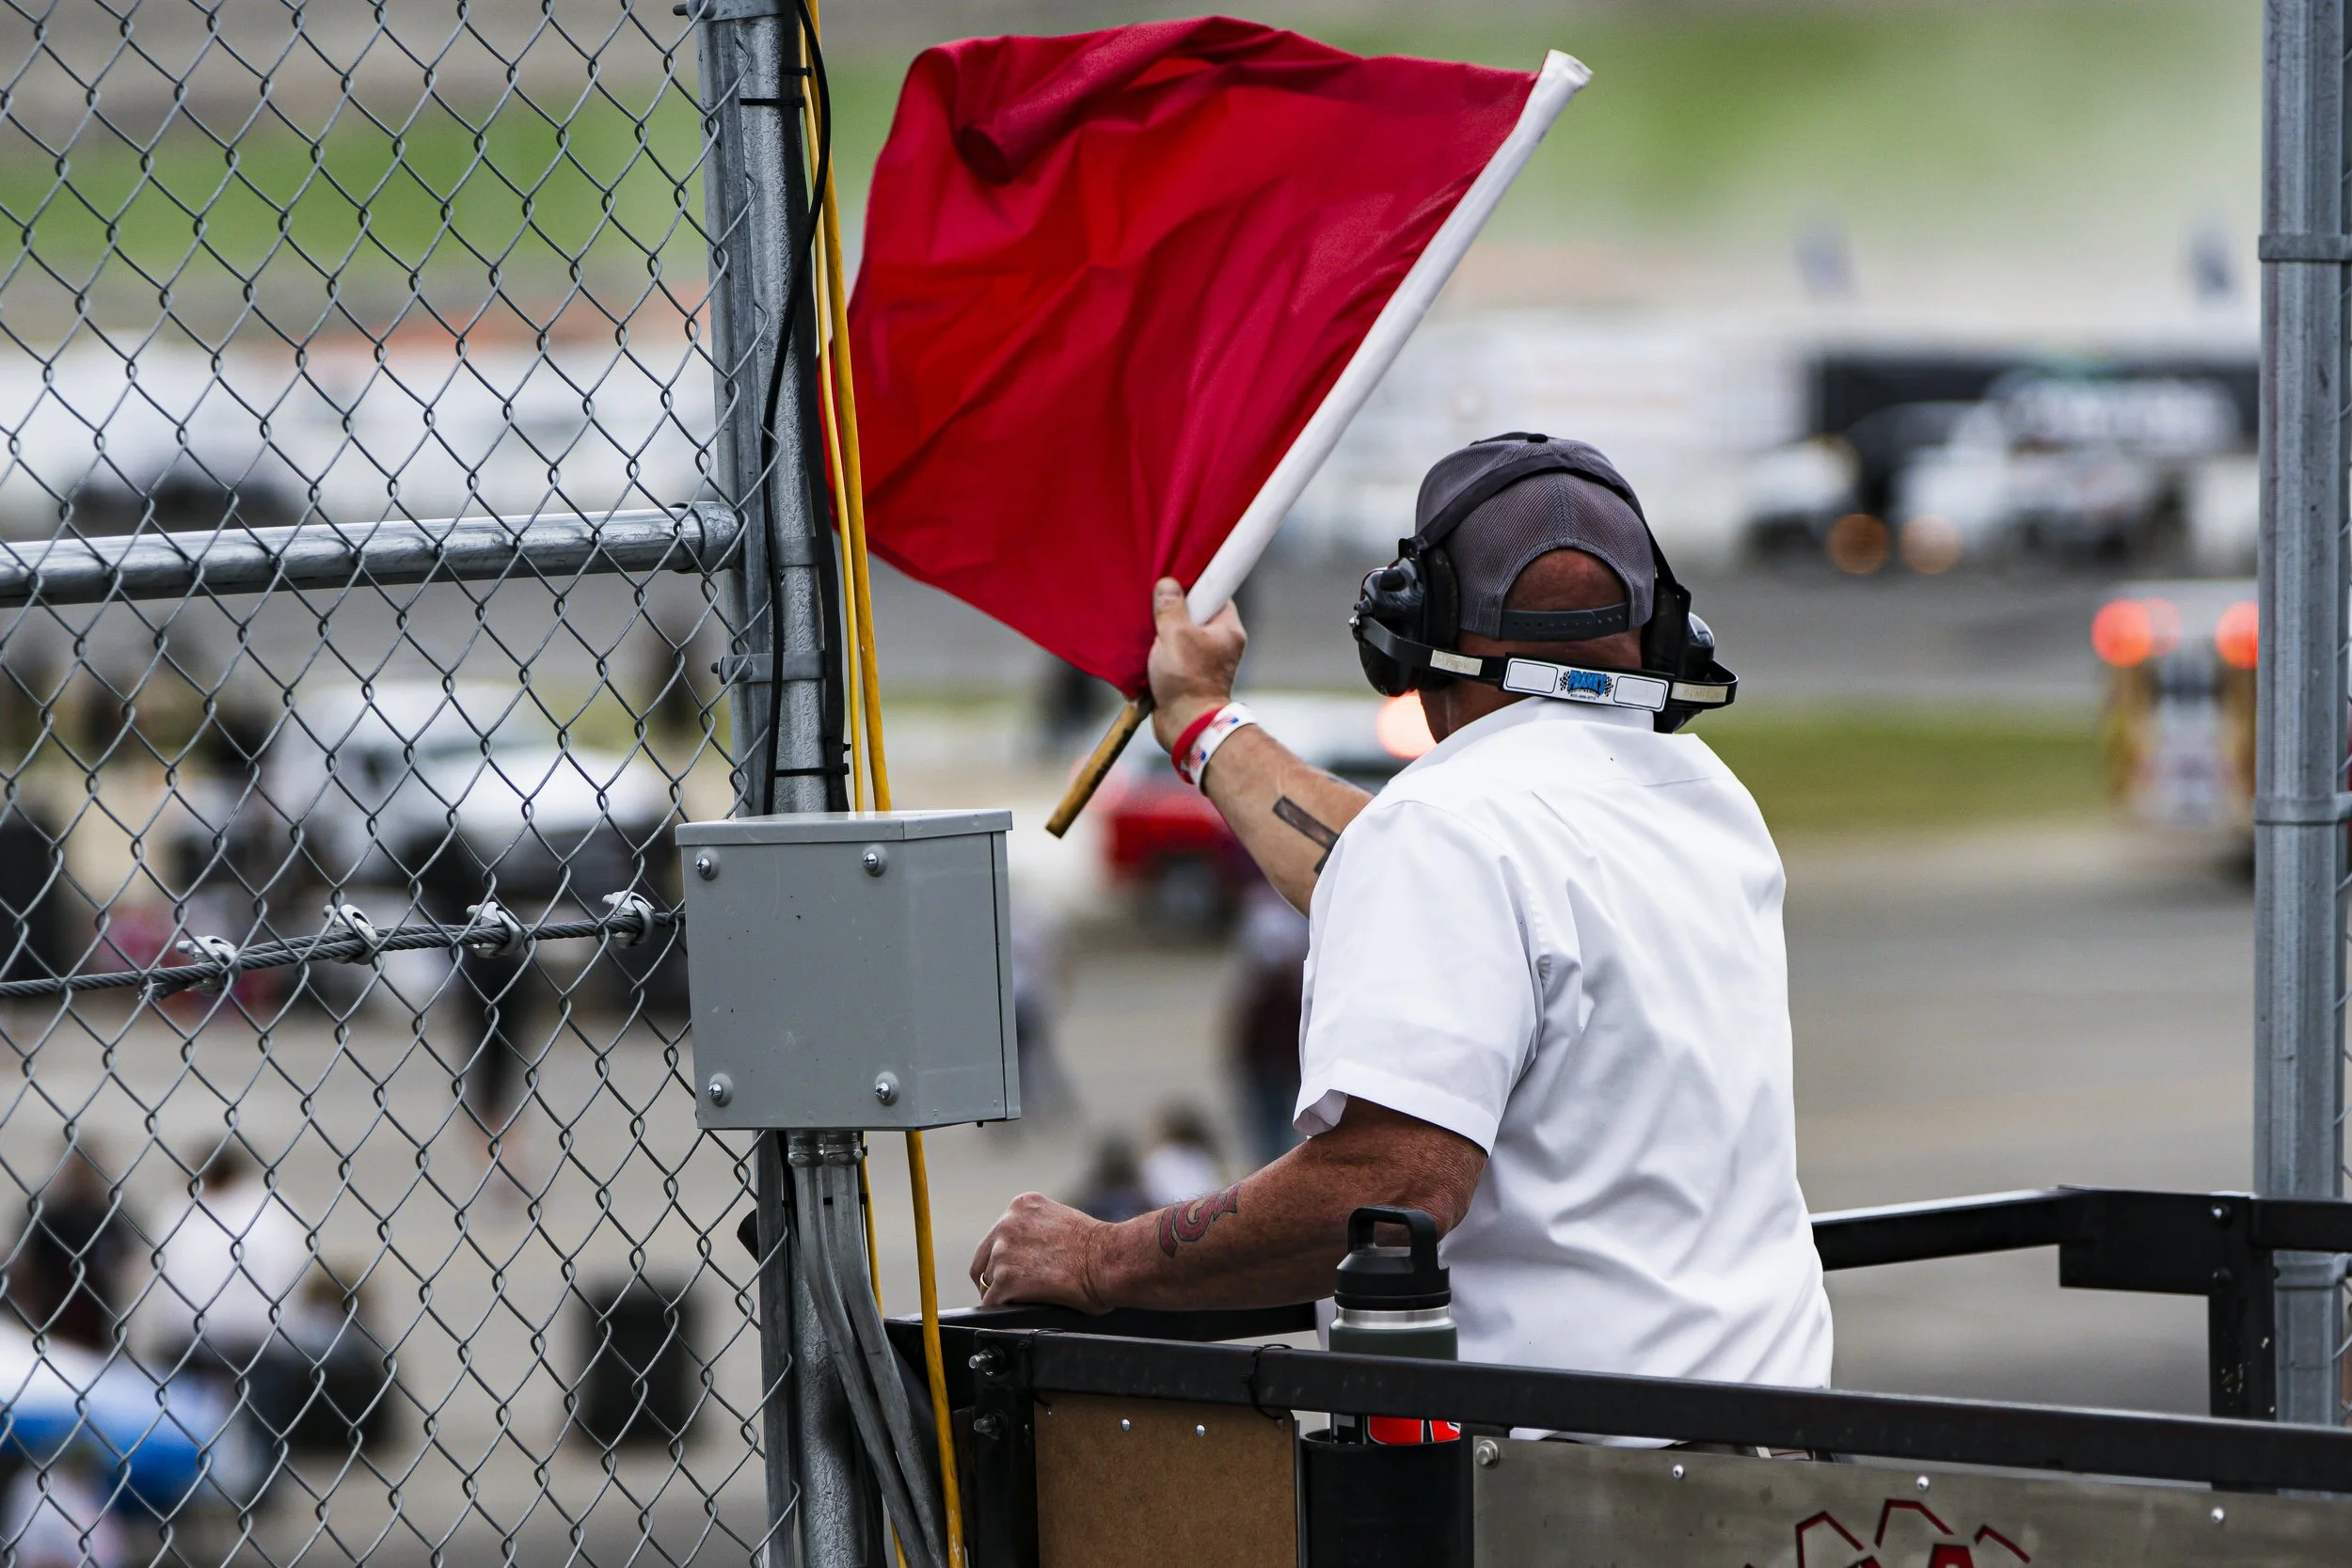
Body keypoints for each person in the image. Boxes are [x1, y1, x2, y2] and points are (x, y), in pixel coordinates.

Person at [970, 434, 1832, 1419]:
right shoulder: (1702, 797)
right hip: (1771, 1432)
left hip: (1569, 1472)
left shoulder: (1447, 831)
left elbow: (1388, 1192)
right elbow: (1388, 872)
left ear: (1408, 631)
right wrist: (1202, 721)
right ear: (1665, 632)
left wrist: (1099, 1256)